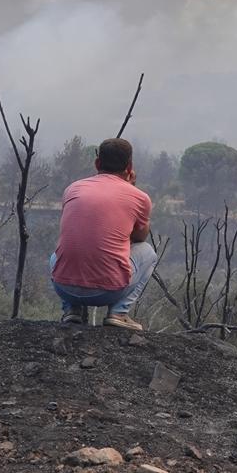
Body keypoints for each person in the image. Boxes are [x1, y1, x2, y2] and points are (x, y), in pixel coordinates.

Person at [49, 138, 156, 331]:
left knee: (56, 255)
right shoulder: (140, 197)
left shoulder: (72, 189)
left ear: (97, 163)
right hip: (109, 292)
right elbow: (140, 238)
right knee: (148, 252)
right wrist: (131, 188)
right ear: (129, 166)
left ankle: (72, 310)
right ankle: (118, 313)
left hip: (64, 288)